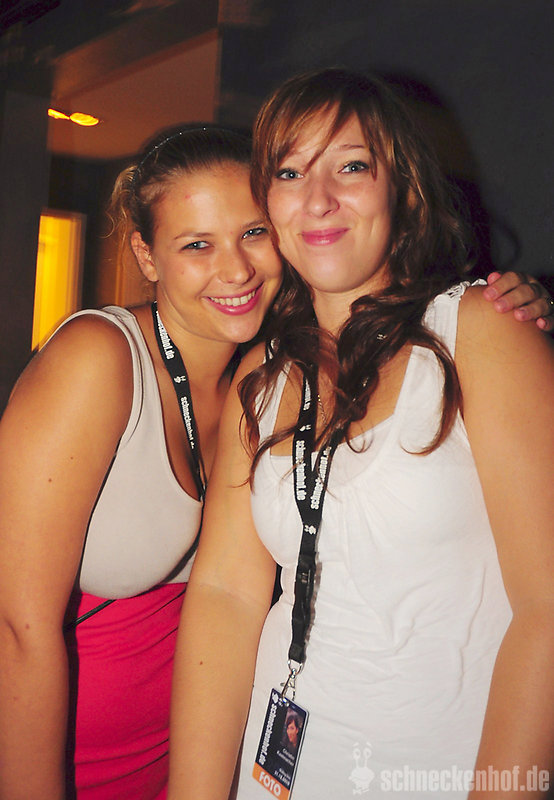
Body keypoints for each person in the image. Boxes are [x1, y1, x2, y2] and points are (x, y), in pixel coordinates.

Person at [168, 70, 554, 800]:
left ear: (402, 187)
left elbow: (547, 610)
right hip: (273, 777)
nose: (318, 199)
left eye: (350, 166)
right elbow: (224, 595)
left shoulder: (483, 332)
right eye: (290, 172)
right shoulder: (263, 377)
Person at [0, 124, 282, 800]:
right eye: (197, 245)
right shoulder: (99, 359)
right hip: (68, 769)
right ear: (146, 256)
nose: (236, 269)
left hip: (186, 767)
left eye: (253, 232)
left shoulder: (273, 374)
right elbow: (16, 629)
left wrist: (515, 303)